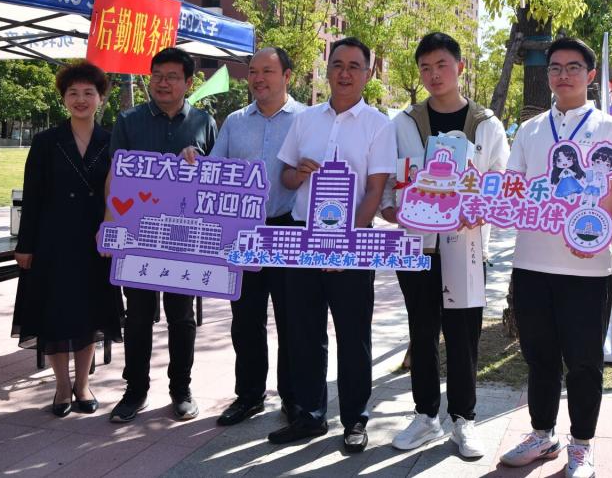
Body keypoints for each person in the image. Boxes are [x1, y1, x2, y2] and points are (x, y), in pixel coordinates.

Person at [499, 37, 612, 478]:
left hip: (586, 267)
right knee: (539, 355)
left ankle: (582, 444)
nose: (563, 75)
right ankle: (542, 434)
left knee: (585, 361)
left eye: (574, 67)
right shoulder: (531, 130)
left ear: (590, 75)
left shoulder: (610, 128)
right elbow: (513, 186)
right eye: (555, 67)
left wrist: (590, 234)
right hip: (531, 262)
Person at [380, 32, 509, 458]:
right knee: (421, 332)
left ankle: (464, 420)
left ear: (460, 67)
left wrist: (482, 209)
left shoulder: (486, 124)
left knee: (463, 335)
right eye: (425, 68)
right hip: (416, 247)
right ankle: (425, 416)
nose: (434, 74)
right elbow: (390, 177)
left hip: (466, 248)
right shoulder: (403, 123)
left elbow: (500, 181)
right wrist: (389, 208)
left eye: (441, 65)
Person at [267, 37, 396, 454]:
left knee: (353, 334)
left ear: (368, 74)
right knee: (304, 331)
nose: (344, 73)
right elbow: (286, 178)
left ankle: (355, 418)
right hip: (304, 238)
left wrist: (346, 244)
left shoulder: (379, 125)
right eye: (338, 64)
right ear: (327, 70)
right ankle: (309, 414)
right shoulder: (305, 120)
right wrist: (299, 174)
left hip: (352, 243)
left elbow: (375, 190)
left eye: (354, 66)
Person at [184, 48, 305, 427]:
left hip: (288, 229)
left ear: (287, 76)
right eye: (253, 71)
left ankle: (293, 398)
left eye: (267, 71)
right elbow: (215, 169)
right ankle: (249, 395)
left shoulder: (307, 120)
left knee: (292, 319)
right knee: (246, 318)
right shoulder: (235, 122)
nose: (258, 78)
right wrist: (194, 158)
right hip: (243, 233)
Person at [107, 47, 217, 423]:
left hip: (185, 239)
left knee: (181, 317)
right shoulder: (129, 121)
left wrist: (199, 163)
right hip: (138, 236)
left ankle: (181, 389)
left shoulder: (204, 122)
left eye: (172, 76)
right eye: (157, 75)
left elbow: (217, 179)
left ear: (188, 82)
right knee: (137, 316)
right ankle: (135, 390)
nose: (163, 83)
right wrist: (111, 225)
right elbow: (115, 176)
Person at [11, 62, 122, 417]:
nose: (80, 99)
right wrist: (25, 245)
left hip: (96, 243)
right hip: (52, 242)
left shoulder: (112, 142)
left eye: (89, 92)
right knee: (54, 314)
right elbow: (33, 196)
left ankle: (83, 384)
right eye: (73, 93)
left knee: (89, 313)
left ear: (101, 98)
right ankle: (62, 385)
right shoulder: (46, 142)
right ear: (63, 99)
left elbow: (123, 195)